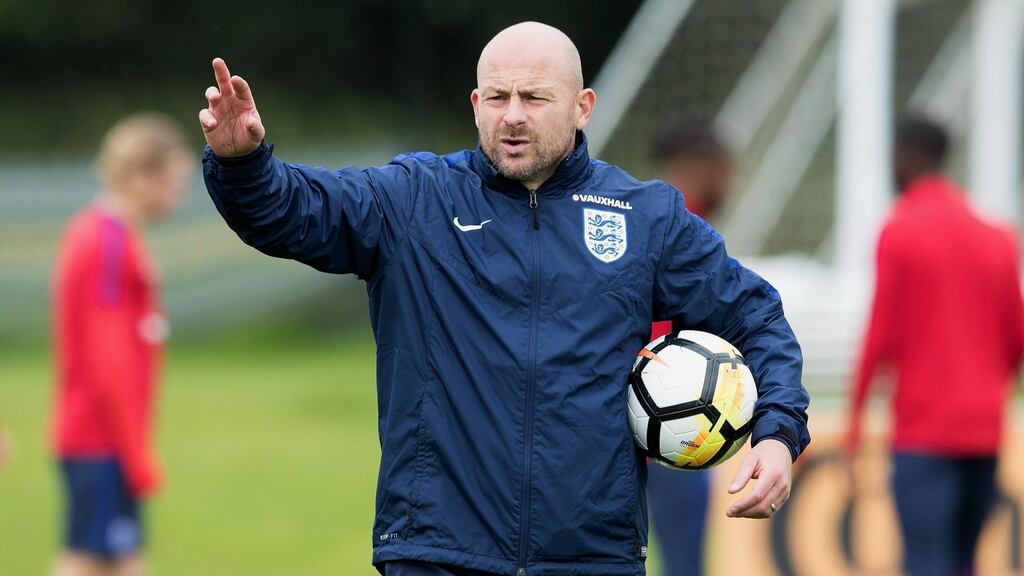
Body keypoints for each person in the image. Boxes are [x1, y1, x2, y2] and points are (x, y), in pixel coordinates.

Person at [199, 22, 810, 576]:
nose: (512, 115)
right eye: (497, 97)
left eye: (534, 98)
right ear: (476, 105)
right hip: (436, 551)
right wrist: (242, 163)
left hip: (592, 556)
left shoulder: (646, 217)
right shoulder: (416, 199)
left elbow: (755, 316)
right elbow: (293, 211)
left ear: (581, 107)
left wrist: (777, 433)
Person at [845, 116, 1024, 576]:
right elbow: (1016, 339)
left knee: (926, 561)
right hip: (984, 432)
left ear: (906, 157)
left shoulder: (900, 231)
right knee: (965, 562)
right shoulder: (998, 236)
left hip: (924, 434)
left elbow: (880, 336)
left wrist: (855, 421)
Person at [51, 113, 192, 576]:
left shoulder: (109, 235)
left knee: (112, 561)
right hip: (101, 438)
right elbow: (106, 357)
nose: (179, 195)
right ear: (142, 174)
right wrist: (135, 453)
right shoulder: (106, 241)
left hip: (102, 437)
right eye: (174, 181)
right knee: (93, 561)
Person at [647, 121, 734, 576]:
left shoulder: (653, 220)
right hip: (672, 418)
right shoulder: (686, 230)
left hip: (656, 418)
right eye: (726, 171)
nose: (731, 183)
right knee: (685, 562)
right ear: (701, 169)